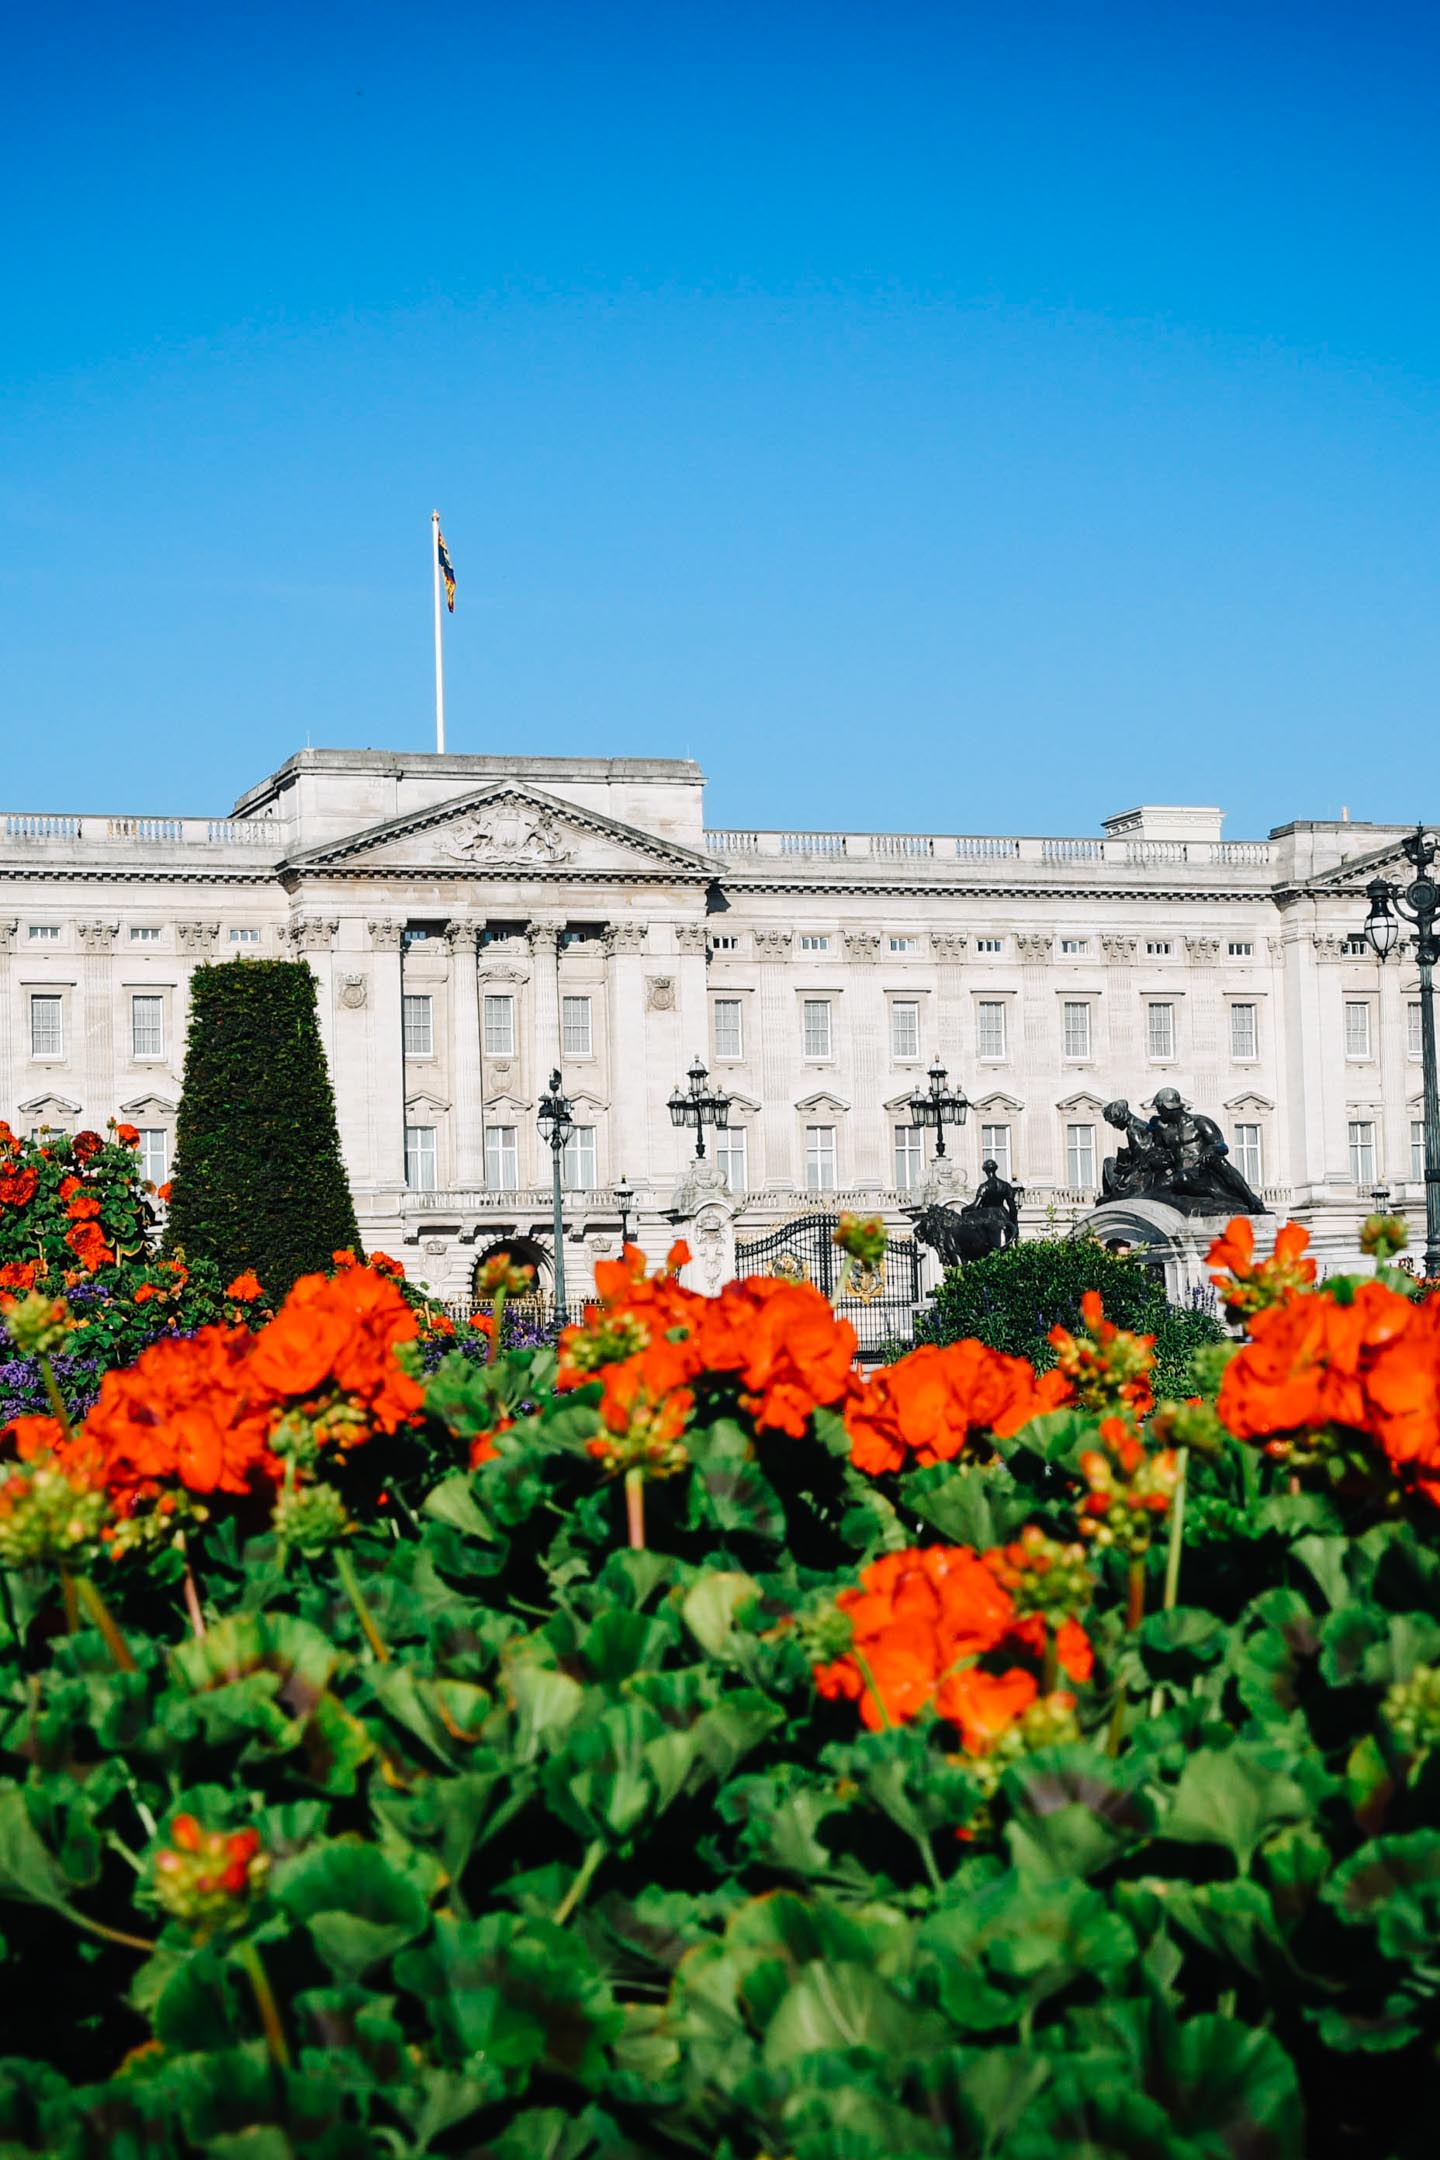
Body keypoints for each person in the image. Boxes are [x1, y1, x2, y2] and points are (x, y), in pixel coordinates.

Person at [964, 1157, 1021, 1245]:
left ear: (985, 1171)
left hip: (988, 1216)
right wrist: (1014, 1223)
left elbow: (975, 1206)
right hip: (1003, 1214)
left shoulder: (984, 1186)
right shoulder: (1006, 1185)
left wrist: (964, 1209)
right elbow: (1012, 1207)